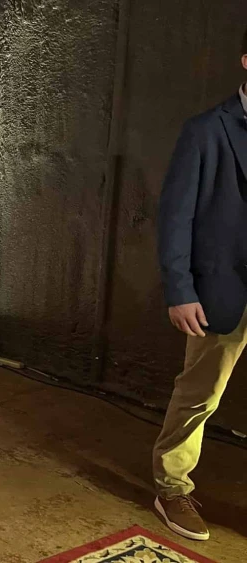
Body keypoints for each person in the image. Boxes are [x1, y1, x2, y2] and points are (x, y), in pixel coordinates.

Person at [151, 28, 247, 542]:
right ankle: (171, 486)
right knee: (200, 395)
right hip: (221, 292)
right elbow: (175, 216)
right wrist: (180, 288)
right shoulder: (206, 130)